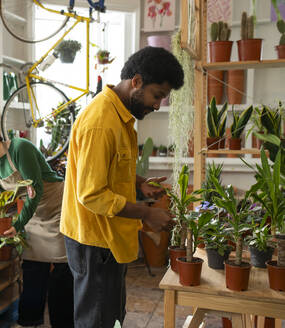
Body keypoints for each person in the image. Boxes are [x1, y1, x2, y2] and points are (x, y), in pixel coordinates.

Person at [60, 46, 184, 328]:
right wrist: (146, 213)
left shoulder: (121, 116)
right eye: (157, 96)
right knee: (97, 320)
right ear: (137, 82)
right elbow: (92, 194)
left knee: (111, 317)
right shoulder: (102, 122)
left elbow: (109, 169)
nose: (157, 105)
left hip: (108, 239)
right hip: (94, 240)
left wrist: (140, 183)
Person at [0, 119, 74, 328]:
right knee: (31, 267)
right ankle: (29, 322)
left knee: (61, 273)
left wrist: (18, 224)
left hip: (58, 209)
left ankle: (63, 324)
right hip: (34, 213)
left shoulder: (20, 148)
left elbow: (35, 188)